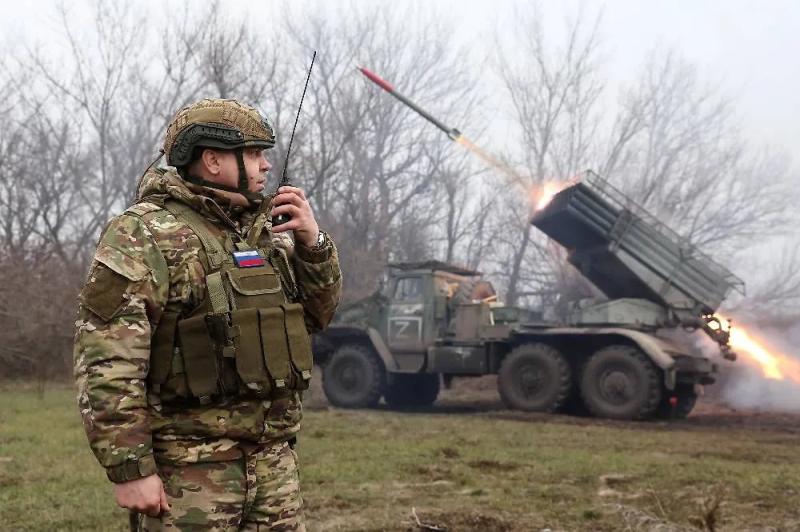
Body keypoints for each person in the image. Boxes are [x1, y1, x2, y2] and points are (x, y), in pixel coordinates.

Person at [73, 98, 341, 531]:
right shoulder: (143, 235)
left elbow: (318, 316)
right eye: (254, 153)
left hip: (274, 464)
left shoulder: (266, 231)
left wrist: (314, 245)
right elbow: (107, 360)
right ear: (213, 160)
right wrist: (130, 469)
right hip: (189, 469)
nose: (266, 165)